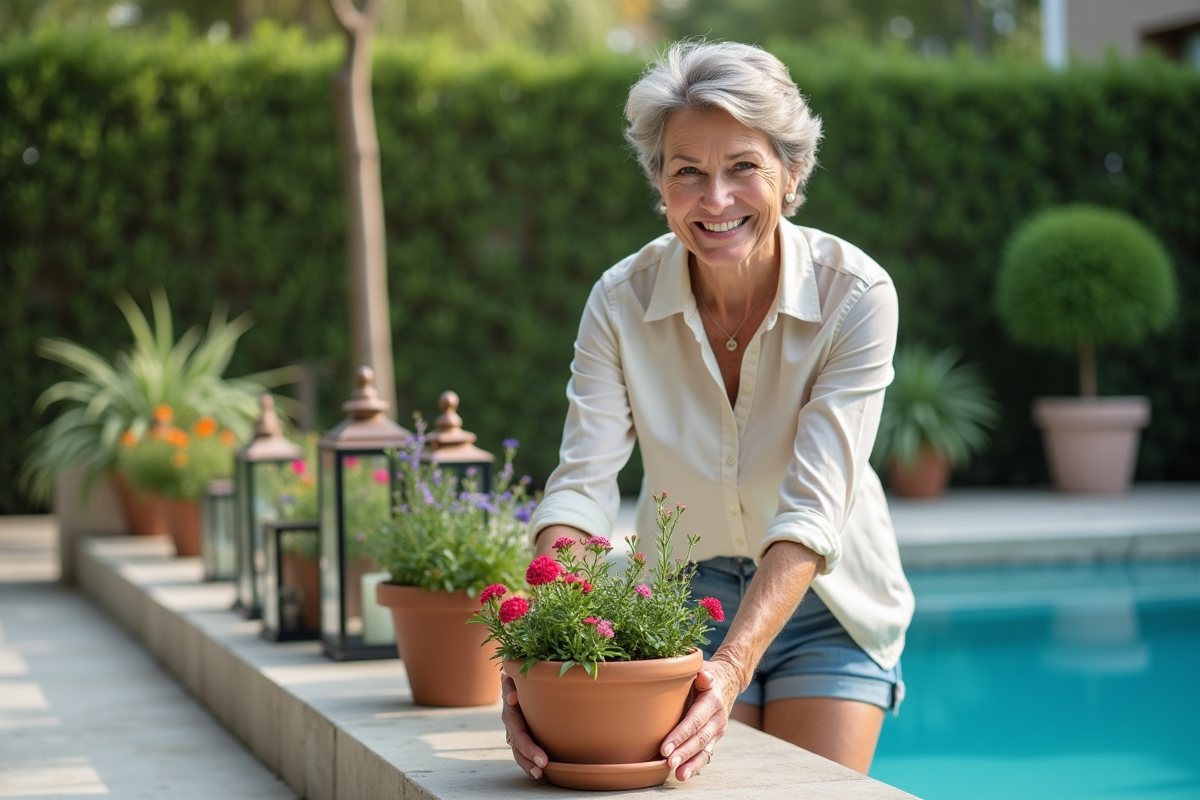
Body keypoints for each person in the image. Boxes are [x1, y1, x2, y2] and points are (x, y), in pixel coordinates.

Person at [501, 40, 914, 782]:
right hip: (680, 600)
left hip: (829, 600)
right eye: (687, 171)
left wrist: (731, 668)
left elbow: (814, 509)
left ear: (792, 172)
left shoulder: (855, 295)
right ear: (660, 183)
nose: (715, 199)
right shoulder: (619, 301)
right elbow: (582, 488)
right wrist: (539, 649)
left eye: (744, 167)